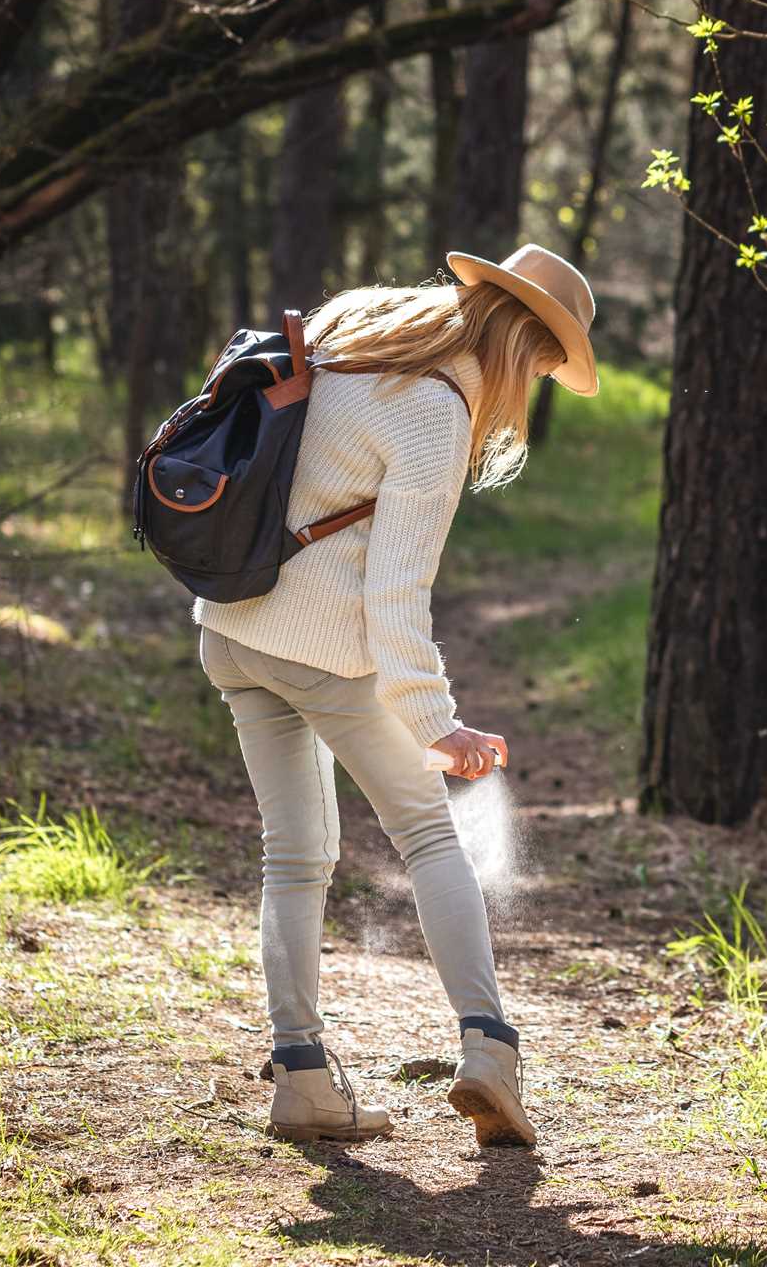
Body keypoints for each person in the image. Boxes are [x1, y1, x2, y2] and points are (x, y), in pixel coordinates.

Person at [194, 245, 598, 1147]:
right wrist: (437, 723)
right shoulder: (434, 411)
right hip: (326, 654)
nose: (530, 387)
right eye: (540, 366)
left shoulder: (349, 329)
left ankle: (300, 1078)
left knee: (293, 857)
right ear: (525, 345)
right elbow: (395, 595)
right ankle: (490, 1050)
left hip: (231, 629)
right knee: (429, 836)